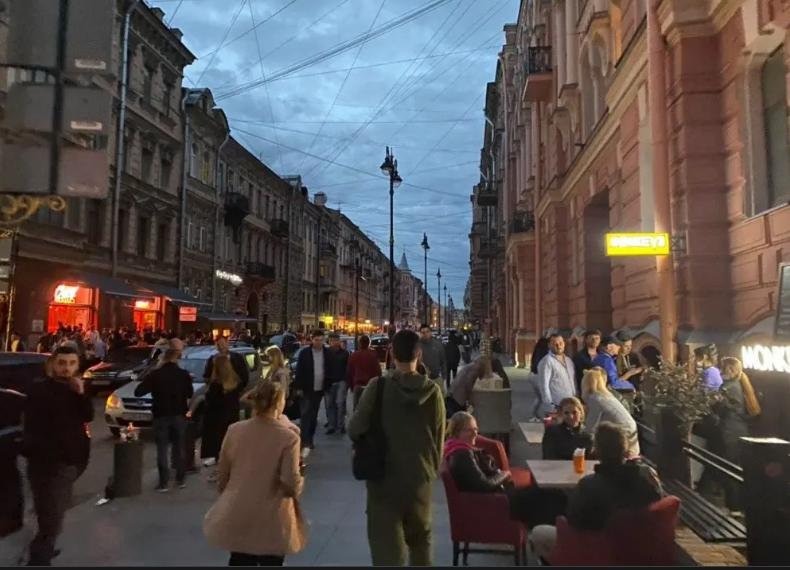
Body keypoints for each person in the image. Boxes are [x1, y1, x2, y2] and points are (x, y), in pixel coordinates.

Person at [347, 329, 445, 566]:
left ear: (391, 353)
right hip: (419, 477)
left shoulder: (378, 386)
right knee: (421, 540)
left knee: (386, 546)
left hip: (384, 478)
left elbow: (355, 428)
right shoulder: (433, 391)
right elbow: (439, 438)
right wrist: (430, 470)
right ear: (419, 354)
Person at [203, 382, 307, 566]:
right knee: (271, 560)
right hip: (272, 514)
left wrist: (227, 496)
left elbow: (223, 473)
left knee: (240, 558)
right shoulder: (288, 437)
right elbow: (290, 482)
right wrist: (301, 478)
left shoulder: (234, 430)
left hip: (239, 507)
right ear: (279, 403)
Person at [529, 422, 663, 563]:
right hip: (639, 547)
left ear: (596, 450)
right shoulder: (647, 477)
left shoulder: (588, 486)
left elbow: (574, 522)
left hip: (598, 551)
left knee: (538, 533)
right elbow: (658, 500)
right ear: (625, 448)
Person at [23, 346, 93, 566]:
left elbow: (88, 416)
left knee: (55, 512)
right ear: (53, 364)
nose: (66, 368)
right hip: (48, 463)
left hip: (70, 462)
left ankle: (44, 549)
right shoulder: (41, 389)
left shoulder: (75, 389)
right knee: (51, 516)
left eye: (72, 363)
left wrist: (81, 394)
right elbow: (34, 424)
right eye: (62, 363)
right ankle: (39, 558)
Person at [698, 356, 761, 511]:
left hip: (728, 433)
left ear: (730, 369)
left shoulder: (728, 387)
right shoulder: (740, 384)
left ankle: (733, 505)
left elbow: (718, 409)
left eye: (722, 368)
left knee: (727, 468)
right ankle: (734, 505)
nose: (719, 371)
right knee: (732, 467)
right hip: (738, 431)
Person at [134, 346, 193, 491]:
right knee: (179, 447)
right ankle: (180, 479)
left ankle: (163, 482)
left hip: (160, 414)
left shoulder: (156, 374)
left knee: (162, 449)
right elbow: (190, 393)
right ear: (176, 359)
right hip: (179, 414)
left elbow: (138, 392)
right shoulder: (183, 374)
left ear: (164, 359)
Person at [444, 411, 511, 492]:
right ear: (456, 432)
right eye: (469, 430)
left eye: (475, 429)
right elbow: (484, 485)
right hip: (483, 497)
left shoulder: (452, 447)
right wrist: (505, 474)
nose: (475, 434)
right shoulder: (462, 454)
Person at [581, 367, 640, 457]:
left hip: (622, 441)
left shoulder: (595, 399)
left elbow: (590, 429)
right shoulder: (607, 397)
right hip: (631, 437)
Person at [201, 354, 243, 469]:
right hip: (231, 415)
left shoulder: (215, 385)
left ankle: (220, 464)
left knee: (219, 442)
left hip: (217, 418)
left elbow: (210, 401)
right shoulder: (235, 381)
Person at [292, 330, 329, 455]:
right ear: (312, 340)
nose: (319, 343)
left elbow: (330, 368)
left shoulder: (327, 353)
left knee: (313, 416)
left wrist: (328, 384)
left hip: (319, 389)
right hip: (307, 389)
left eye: (321, 340)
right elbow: (299, 370)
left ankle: (310, 438)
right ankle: (304, 440)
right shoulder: (305, 353)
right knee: (305, 415)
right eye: (316, 340)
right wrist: (298, 387)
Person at [593, 336, 641, 412]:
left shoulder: (598, 358)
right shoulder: (607, 361)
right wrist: (631, 386)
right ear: (609, 347)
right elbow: (613, 383)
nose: (619, 347)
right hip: (608, 396)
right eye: (617, 345)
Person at [535, 334, 576, 418]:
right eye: (555, 344)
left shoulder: (569, 361)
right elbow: (543, 386)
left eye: (560, 343)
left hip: (570, 405)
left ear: (564, 344)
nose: (558, 346)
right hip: (556, 406)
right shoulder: (546, 361)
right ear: (549, 345)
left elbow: (573, 381)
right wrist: (550, 407)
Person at [346, 335, 382, 409]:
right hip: (371, 386)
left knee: (357, 410)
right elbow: (378, 372)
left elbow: (349, 372)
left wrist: (352, 386)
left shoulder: (353, 355)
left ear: (359, 343)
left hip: (358, 386)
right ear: (369, 343)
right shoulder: (373, 355)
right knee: (370, 410)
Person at [323, 333, 350, 435]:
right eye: (332, 341)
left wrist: (347, 381)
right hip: (329, 381)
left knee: (340, 403)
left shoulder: (345, 353)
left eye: (336, 340)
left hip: (341, 381)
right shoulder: (325, 353)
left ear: (339, 341)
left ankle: (340, 425)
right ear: (329, 342)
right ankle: (331, 425)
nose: (334, 342)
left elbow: (348, 368)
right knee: (330, 405)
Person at [418, 324, 447, 390]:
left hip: (436, 379)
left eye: (427, 331)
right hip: (422, 381)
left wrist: (443, 376)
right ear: (420, 334)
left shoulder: (438, 345)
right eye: (423, 332)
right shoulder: (417, 346)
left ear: (430, 332)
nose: (425, 334)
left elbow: (443, 361)